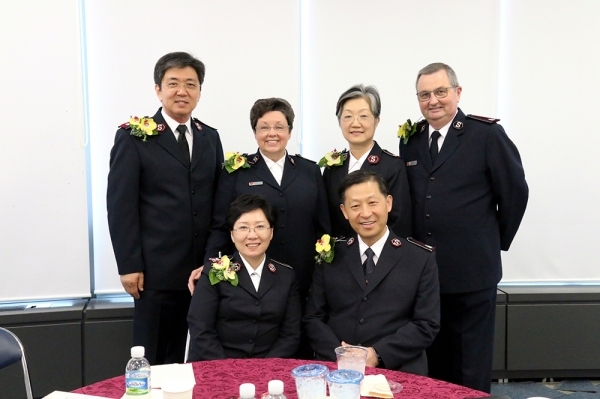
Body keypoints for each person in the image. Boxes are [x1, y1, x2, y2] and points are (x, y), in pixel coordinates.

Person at [399, 62, 528, 392]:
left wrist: (491, 239)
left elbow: (515, 192)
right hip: (427, 275)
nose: (433, 101)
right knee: (436, 364)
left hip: (473, 271)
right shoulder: (410, 142)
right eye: (424, 94)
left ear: (457, 92)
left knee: (471, 365)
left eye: (440, 92)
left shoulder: (485, 135)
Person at [107, 52, 223, 365]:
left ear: (199, 91)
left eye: (190, 84)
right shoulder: (134, 137)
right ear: (158, 89)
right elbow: (121, 206)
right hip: (154, 274)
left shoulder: (210, 138)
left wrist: (212, 262)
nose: (182, 91)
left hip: (202, 274)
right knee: (155, 359)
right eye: (173, 83)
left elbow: (217, 207)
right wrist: (129, 264)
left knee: (199, 360)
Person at [189, 97, 330, 305]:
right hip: (249, 279)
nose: (272, 133)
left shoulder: (309, 171)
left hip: (304, 279)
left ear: (290, 132)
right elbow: (220, 227)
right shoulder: (236, 173)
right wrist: (211, 265)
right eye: (264, 127)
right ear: (255, 132)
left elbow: (323, 229)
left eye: (279, 127)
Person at [303, 170, 440, 375]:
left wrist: (377, 354)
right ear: (344, 211)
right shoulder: (330, 253)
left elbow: (426, 323)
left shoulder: (419, 258)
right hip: (336, 366)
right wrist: (341, 353)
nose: (365, 213)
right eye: (355, 206)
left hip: (399, 367)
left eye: (372, 203)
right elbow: (313, 317)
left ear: (389, 203)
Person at [187, 194, 301, 360]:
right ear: (232, 235)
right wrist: (230, 369)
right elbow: (201, 329)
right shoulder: (213, 272)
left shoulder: (286, 275)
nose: (252, 235)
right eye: (243, 227)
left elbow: (291, 334)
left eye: (260, 226)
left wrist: (265, 367)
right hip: (219, 366)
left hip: (269, 369)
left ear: (271, 232)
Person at [322, 84, 412, 240]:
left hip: (382, 258)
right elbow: (327, 219)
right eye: (348, 116)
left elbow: (400, 223)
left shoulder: (392, 166)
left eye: (363, 116)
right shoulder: (333, 168)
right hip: (342, 258)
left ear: (377, 121)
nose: (355, 123)